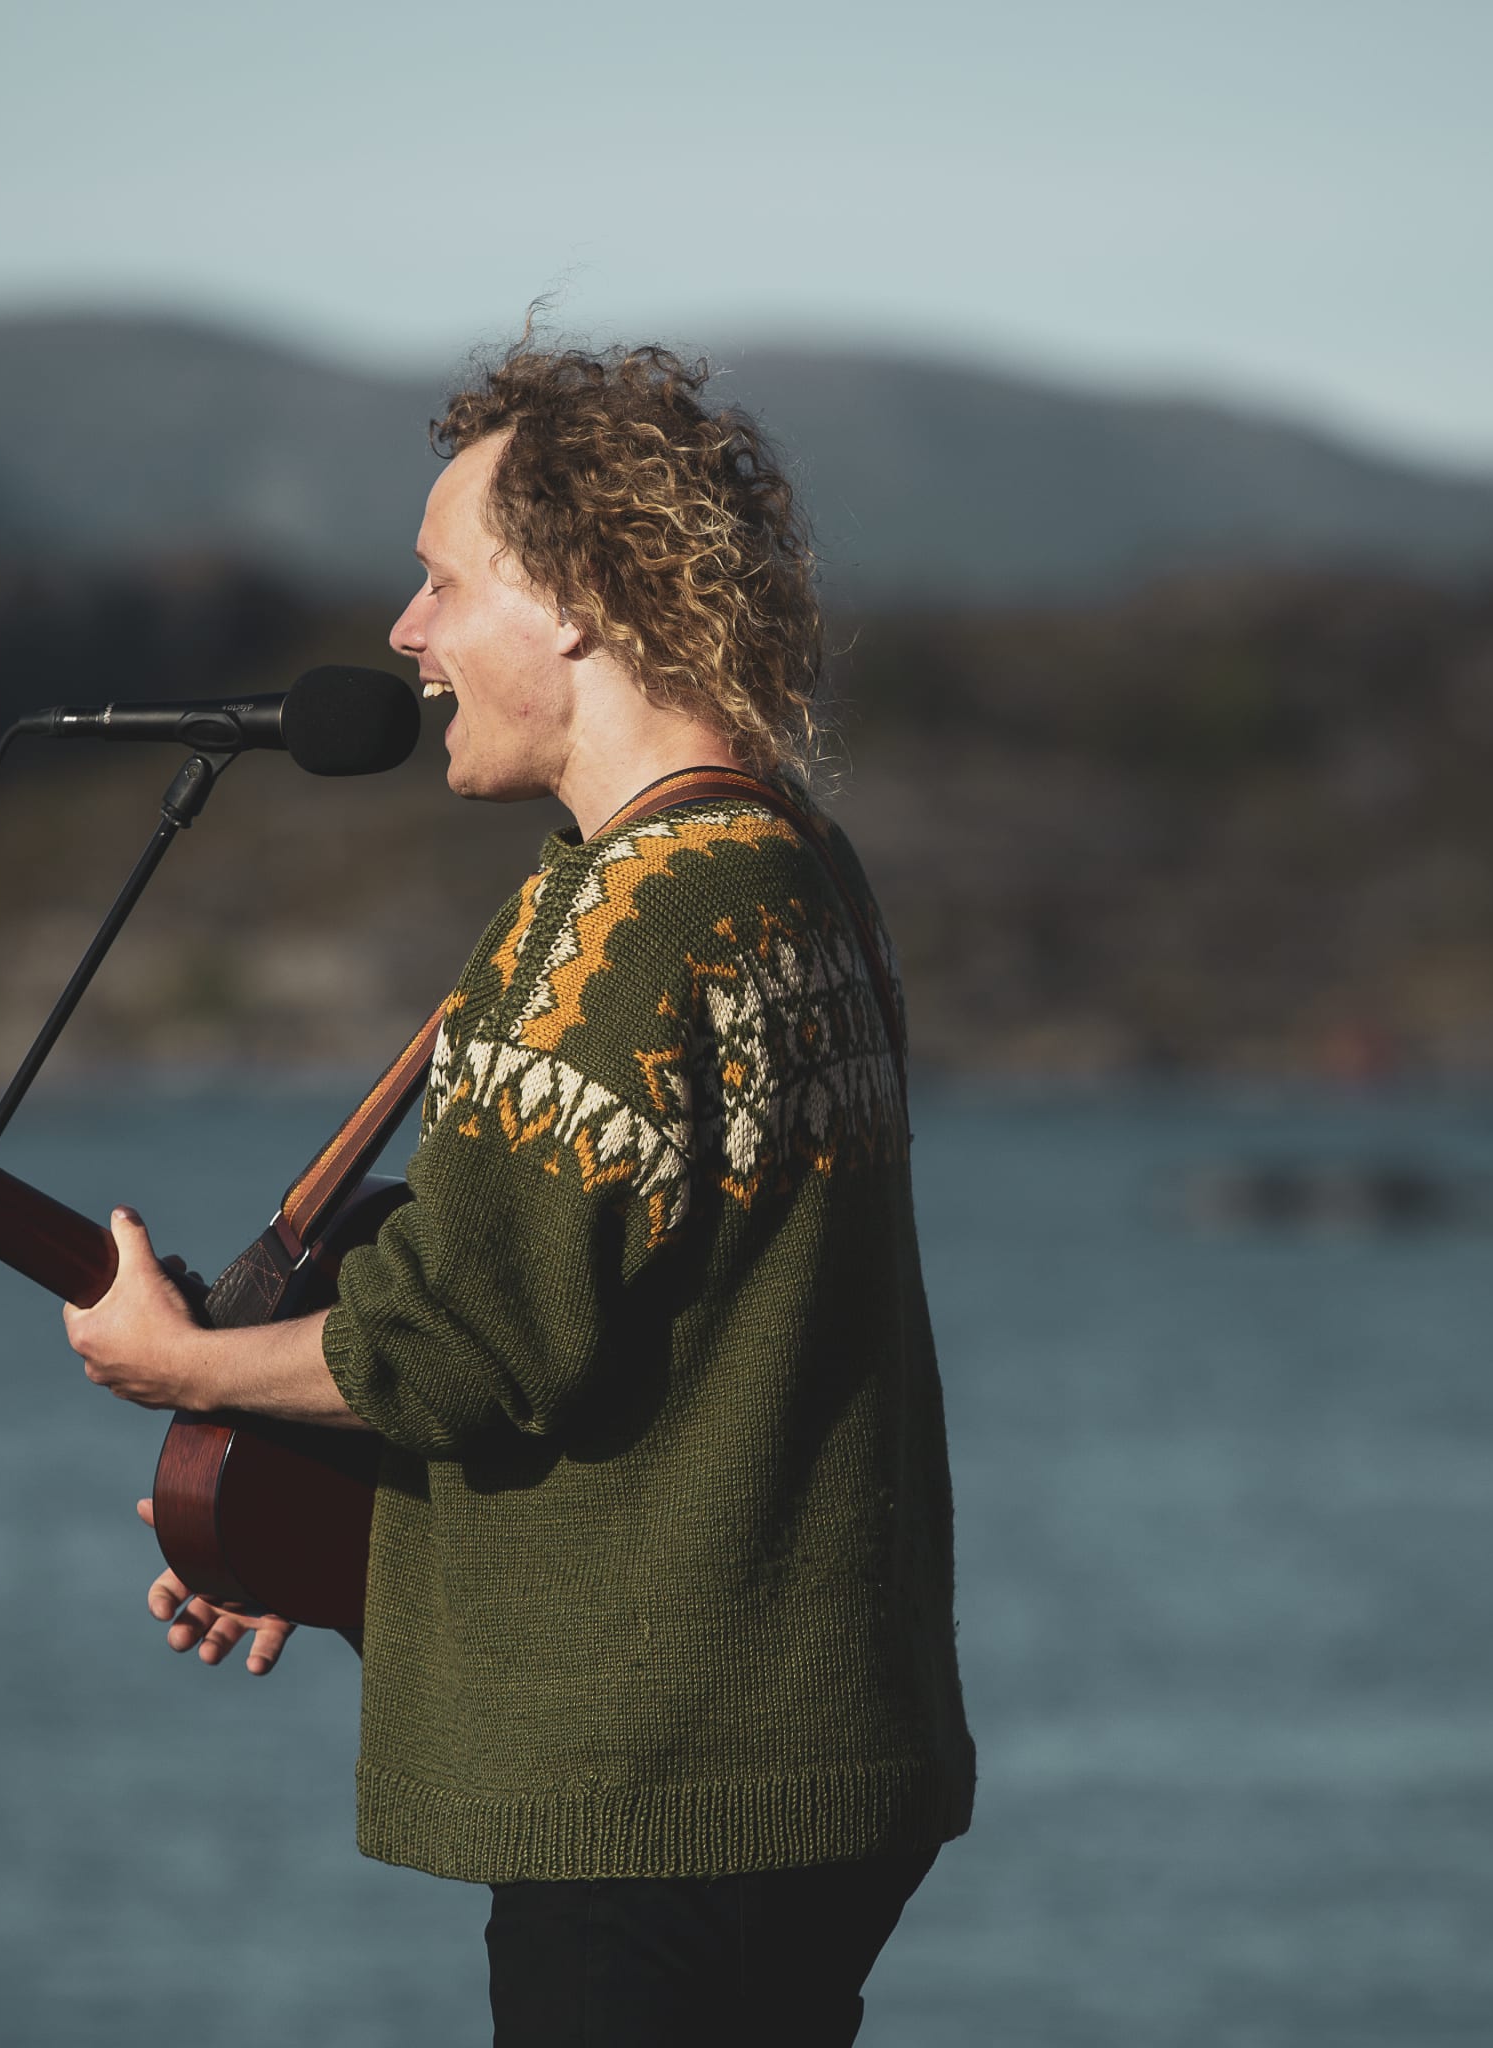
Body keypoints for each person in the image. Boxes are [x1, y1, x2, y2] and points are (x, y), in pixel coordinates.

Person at [60, 341, 974, 2045]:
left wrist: (184, 1372)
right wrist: (337, 1538)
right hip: (825, 1761)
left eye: (438, 579)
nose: (402, 634)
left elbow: (469, 1336)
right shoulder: (793, 866)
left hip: (655, 1789)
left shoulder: (617, 926)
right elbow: (649, 1330)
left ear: (572, 600)